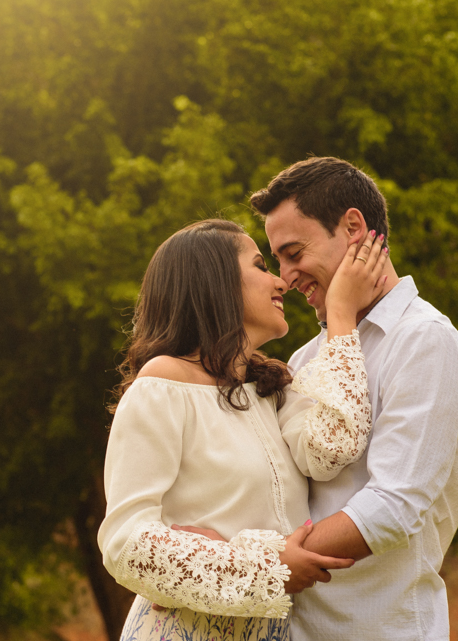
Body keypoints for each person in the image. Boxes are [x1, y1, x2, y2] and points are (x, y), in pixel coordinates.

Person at [97, 218, 389, 641]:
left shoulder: (274, 387)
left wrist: (341, 319)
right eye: (260, 265)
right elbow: (125, 544)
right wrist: (269, 566)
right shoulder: (162, 384)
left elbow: (332, 450)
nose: (281, 282)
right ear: (215, 283)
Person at [247, 157, 458, 641]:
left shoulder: (424, 339)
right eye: (278, 261)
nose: (287, 276)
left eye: (294, 252)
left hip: (380, 628)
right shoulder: (306, 354)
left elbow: (393, 506)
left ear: (353, 227)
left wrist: (267, 563)